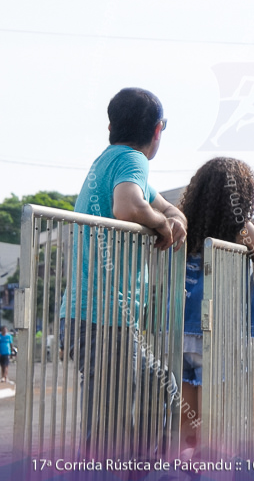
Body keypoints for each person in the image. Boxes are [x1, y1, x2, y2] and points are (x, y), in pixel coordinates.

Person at [59, 87, 188, 452]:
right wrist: (162, 227)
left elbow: (166, 206)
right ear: (158, 130)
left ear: (111, 125)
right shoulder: (132, 160)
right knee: (110, 419)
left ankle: (137, 468)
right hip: (102, 318)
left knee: (155, 387)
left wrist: (174, 219)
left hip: (101, 318)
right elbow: (129, 207)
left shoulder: (110, 161)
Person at [177, 157, 254, 455]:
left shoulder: (186, 226)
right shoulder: (241, 229)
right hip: (222, 335)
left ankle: (183, 471)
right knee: (219, 421)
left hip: (182, 331)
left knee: (188, 418)